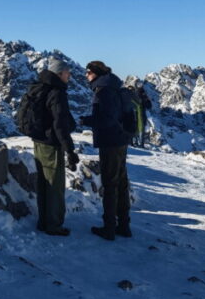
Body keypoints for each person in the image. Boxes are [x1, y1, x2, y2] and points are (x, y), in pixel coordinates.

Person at [17, 57, 79, 236]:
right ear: (60, 73)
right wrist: (70, 150)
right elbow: (60, 124)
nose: (70, 75)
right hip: (51, 145)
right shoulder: (56, 92)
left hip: (39, 142)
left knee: (43, 183)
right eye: (68, 72)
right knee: (55, 185)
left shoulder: (40, 87)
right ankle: (54, 225)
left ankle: (44, 221)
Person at [80, 60, 131, 240]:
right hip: (121, 140)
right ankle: (124, 225)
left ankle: (109, 227)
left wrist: (86, 121)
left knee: (110, 184)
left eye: (88, 72)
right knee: (122, 182)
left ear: (95, 73)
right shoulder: (114, 86)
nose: (85, 76)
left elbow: (106, 119)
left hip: (110, 142)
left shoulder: (103, 92)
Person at [132, 80, 152, 147]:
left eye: (141, 84)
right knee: (135, 127)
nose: (140, 86)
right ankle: (135, 142)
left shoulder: (144, 94)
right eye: (138, 84)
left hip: (142, 113)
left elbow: (149, 105)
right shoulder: (133, 94)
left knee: (141, 127)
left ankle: (141, 143)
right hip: (135, 113)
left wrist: (146, 101)